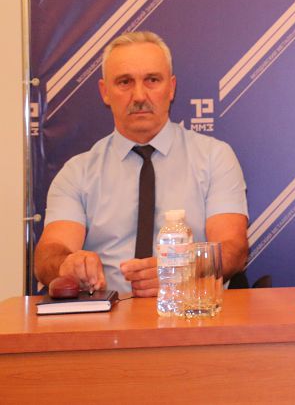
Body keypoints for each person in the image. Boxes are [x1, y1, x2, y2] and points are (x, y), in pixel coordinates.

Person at [34, 31, 249, 296]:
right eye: (124, 82)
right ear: (105, 92)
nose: (139, 96)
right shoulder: (77, 173)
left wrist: (180, 270)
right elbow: (48, 255)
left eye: (152, 80)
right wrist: (68, 264)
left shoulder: (214, 157)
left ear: (171, 88)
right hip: (107, 315)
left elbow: (233, 249)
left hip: (191, 313)